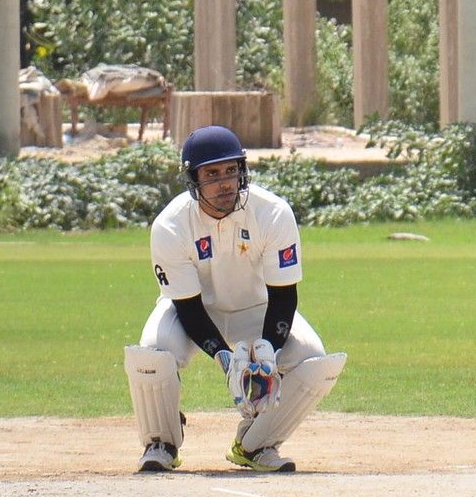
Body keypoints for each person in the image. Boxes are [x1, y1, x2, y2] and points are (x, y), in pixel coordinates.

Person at [124, 125, 347, 473]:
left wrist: (269, 351)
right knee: (152, 355)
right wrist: (224, 358)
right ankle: (161, 443)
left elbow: (284, 296)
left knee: (314, 361)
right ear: (193, 180)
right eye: (212, 174)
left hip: (256, 308)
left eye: (231, 170)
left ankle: (255, 444)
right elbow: (188, 307)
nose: (225, 183)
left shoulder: (272, 212)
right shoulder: (171, 225)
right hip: (190, 312)